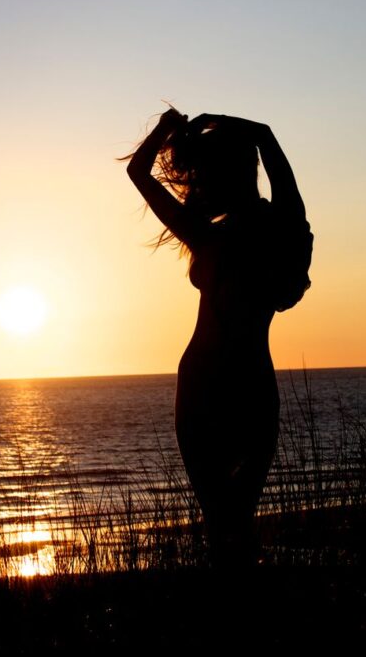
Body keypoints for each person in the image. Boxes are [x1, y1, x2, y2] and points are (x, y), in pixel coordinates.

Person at [125, 107, 313, 568]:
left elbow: (138, 172)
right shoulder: (277, 224)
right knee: (233, 520)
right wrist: (221, 123)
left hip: (212, 382)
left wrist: (169, 126)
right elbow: (265, 134)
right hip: (236, 381)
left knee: (224, 523)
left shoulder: (215, 235)